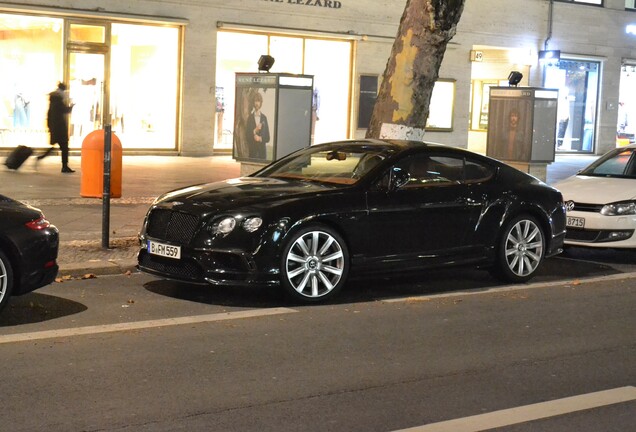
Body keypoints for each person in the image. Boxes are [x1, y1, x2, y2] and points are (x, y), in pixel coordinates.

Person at [36, 82, 75, 173]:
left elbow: (49, 115)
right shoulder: (57, 101)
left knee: (58, 147)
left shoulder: (53, 100)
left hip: (55, 129)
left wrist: (50, 127)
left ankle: (41, 158)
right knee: (64, 148)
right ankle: (64, 166)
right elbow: (65, 110)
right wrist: (71, 107)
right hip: (59, 129)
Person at [246, 91, 270, 160]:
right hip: (252, 153)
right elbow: (247, 136)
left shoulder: (264, 118)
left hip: (262, 154)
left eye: (258, 101)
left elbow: (268, 138)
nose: (257, 103)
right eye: (255, 101)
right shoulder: (250, 118)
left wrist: (260, 139)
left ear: (261, 103)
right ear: (253, 103)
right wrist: (254, 131)